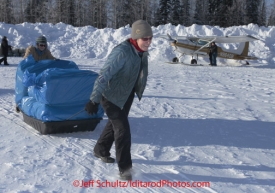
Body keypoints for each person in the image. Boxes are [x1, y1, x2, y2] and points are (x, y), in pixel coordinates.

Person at [85, 19, 153, 181]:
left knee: (113, 124)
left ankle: (100, 149)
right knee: (122, 130)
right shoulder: (122, 52)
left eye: (150, 38)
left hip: (125, 95)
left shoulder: (141, 51)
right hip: (110, 96)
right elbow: (103, 75)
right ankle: (125, 169)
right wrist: (94, 99)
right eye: (145, 38)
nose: (149, 42)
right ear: (136, 37)